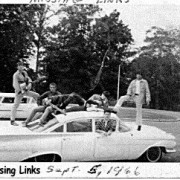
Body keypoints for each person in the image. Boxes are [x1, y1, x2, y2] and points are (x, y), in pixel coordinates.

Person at [10, 62, 40, 126]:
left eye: (22, 66)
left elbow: (29, 79)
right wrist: (19, 90)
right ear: (17, 67)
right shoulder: (16, 75)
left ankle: (40, 109)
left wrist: (29, 84)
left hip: (26, 90)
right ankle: (12, 120)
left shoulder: (24, 73)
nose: (21, 67)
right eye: (19, 66)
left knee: (37, 95)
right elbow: (15, 84)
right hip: (19, 92)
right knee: (15, 105)